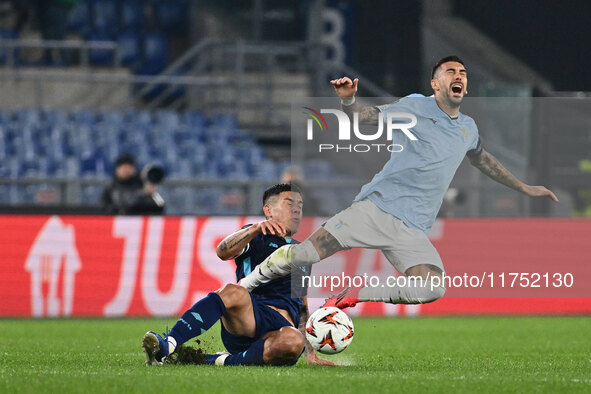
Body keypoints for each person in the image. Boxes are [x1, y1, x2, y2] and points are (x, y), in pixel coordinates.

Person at [239, 55, 558, 309]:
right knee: (305, 255)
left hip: (412, 230)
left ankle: (356, 294)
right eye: (450, 72)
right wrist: (349, 102)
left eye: (462, 72)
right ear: (435, 83)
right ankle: (244, 286)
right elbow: (367, 118)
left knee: (433, 288)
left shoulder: (468, 129)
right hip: (376, 209)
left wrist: (526, 188)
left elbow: (484, 160)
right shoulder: (416, 105)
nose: (458, 75)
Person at [142, 183, 334, 366]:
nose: (296, 210)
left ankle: (212, 360)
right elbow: (222, 251)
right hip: (248, 318)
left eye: (300, 206)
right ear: (268, 210)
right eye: (289, 204)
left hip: (282, 329)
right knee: (232, 291)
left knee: (293, 341)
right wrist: (254, 229)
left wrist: (311, 353)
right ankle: (168, 345)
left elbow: (302, 305)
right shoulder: (256, 235)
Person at [101, 153, 165, 215]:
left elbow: (160, 206)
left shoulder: (141, 184)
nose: (126, 170)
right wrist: (143, 193)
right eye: (124, 167)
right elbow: (104, 208)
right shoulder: (110, 188)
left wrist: (153, 194)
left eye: (129, 167)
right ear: (117, 169)